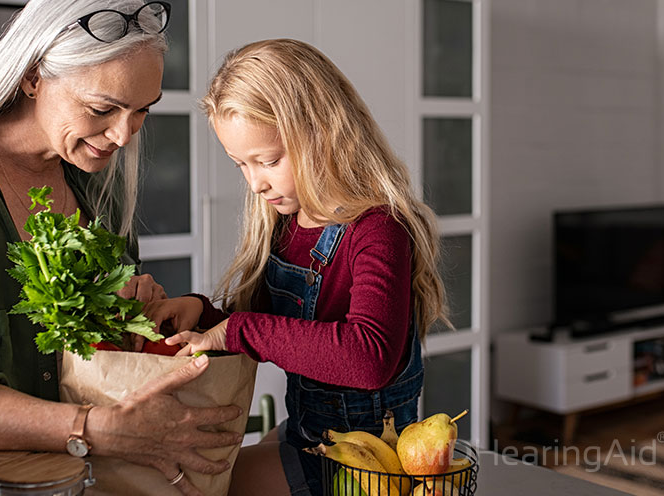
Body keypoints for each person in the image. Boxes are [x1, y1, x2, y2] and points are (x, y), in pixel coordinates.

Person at [0, 2, 241, 495]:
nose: (124, 135)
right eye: (102, 109)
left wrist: (133, 314)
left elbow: (102, 362)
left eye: (142, 110)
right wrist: (100, 430)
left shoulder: (96, 183)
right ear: (33, 76)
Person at [144, 39, 450, 496]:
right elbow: (275, 323)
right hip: (309, 433)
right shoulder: (287, 221)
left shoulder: (378, 228)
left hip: (362, 466)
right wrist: (205, 314)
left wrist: (236, 331)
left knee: (200, 484)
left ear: (323, 132)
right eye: (240, 164)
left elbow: (369, 359)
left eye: (268, 161)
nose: (255, 182)